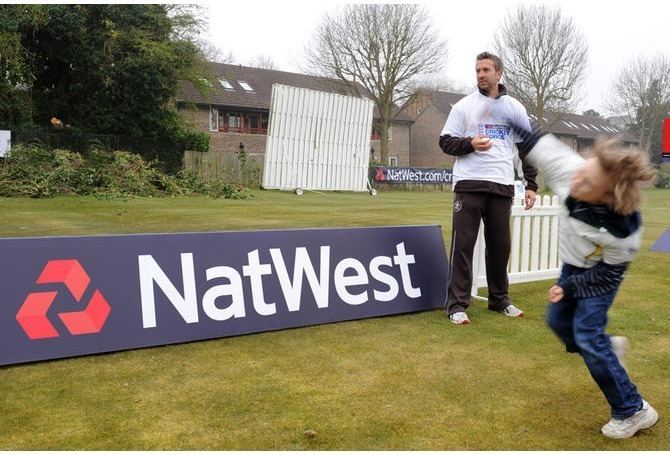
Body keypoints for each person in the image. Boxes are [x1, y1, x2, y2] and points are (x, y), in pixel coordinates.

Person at [513, 125, 658, 439]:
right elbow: (533, 137)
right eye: (582, 172)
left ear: (608, 196)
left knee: (587, 335)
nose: (577, 179)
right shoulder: (573, 170)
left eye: (588, 182)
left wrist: (569, 287)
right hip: (571, 265)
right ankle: (607, 350)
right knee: (557, 322)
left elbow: (607, 274)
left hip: (601, 275)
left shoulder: (624, 230)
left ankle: (632, 410)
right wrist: (500, 113)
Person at [439, 52, 538, 325]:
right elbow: (445, 142)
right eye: (477, 70)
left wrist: (531, 184)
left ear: (499, 73)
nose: (481, 75)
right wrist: (470, 143)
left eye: (485, 70)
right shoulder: (463, 107)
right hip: (469, 184)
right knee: (463, 247)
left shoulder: (514, 108)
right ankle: (457, 305)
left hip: (502, 185)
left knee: (500, 247)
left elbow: (526, 148)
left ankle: (499, 300)